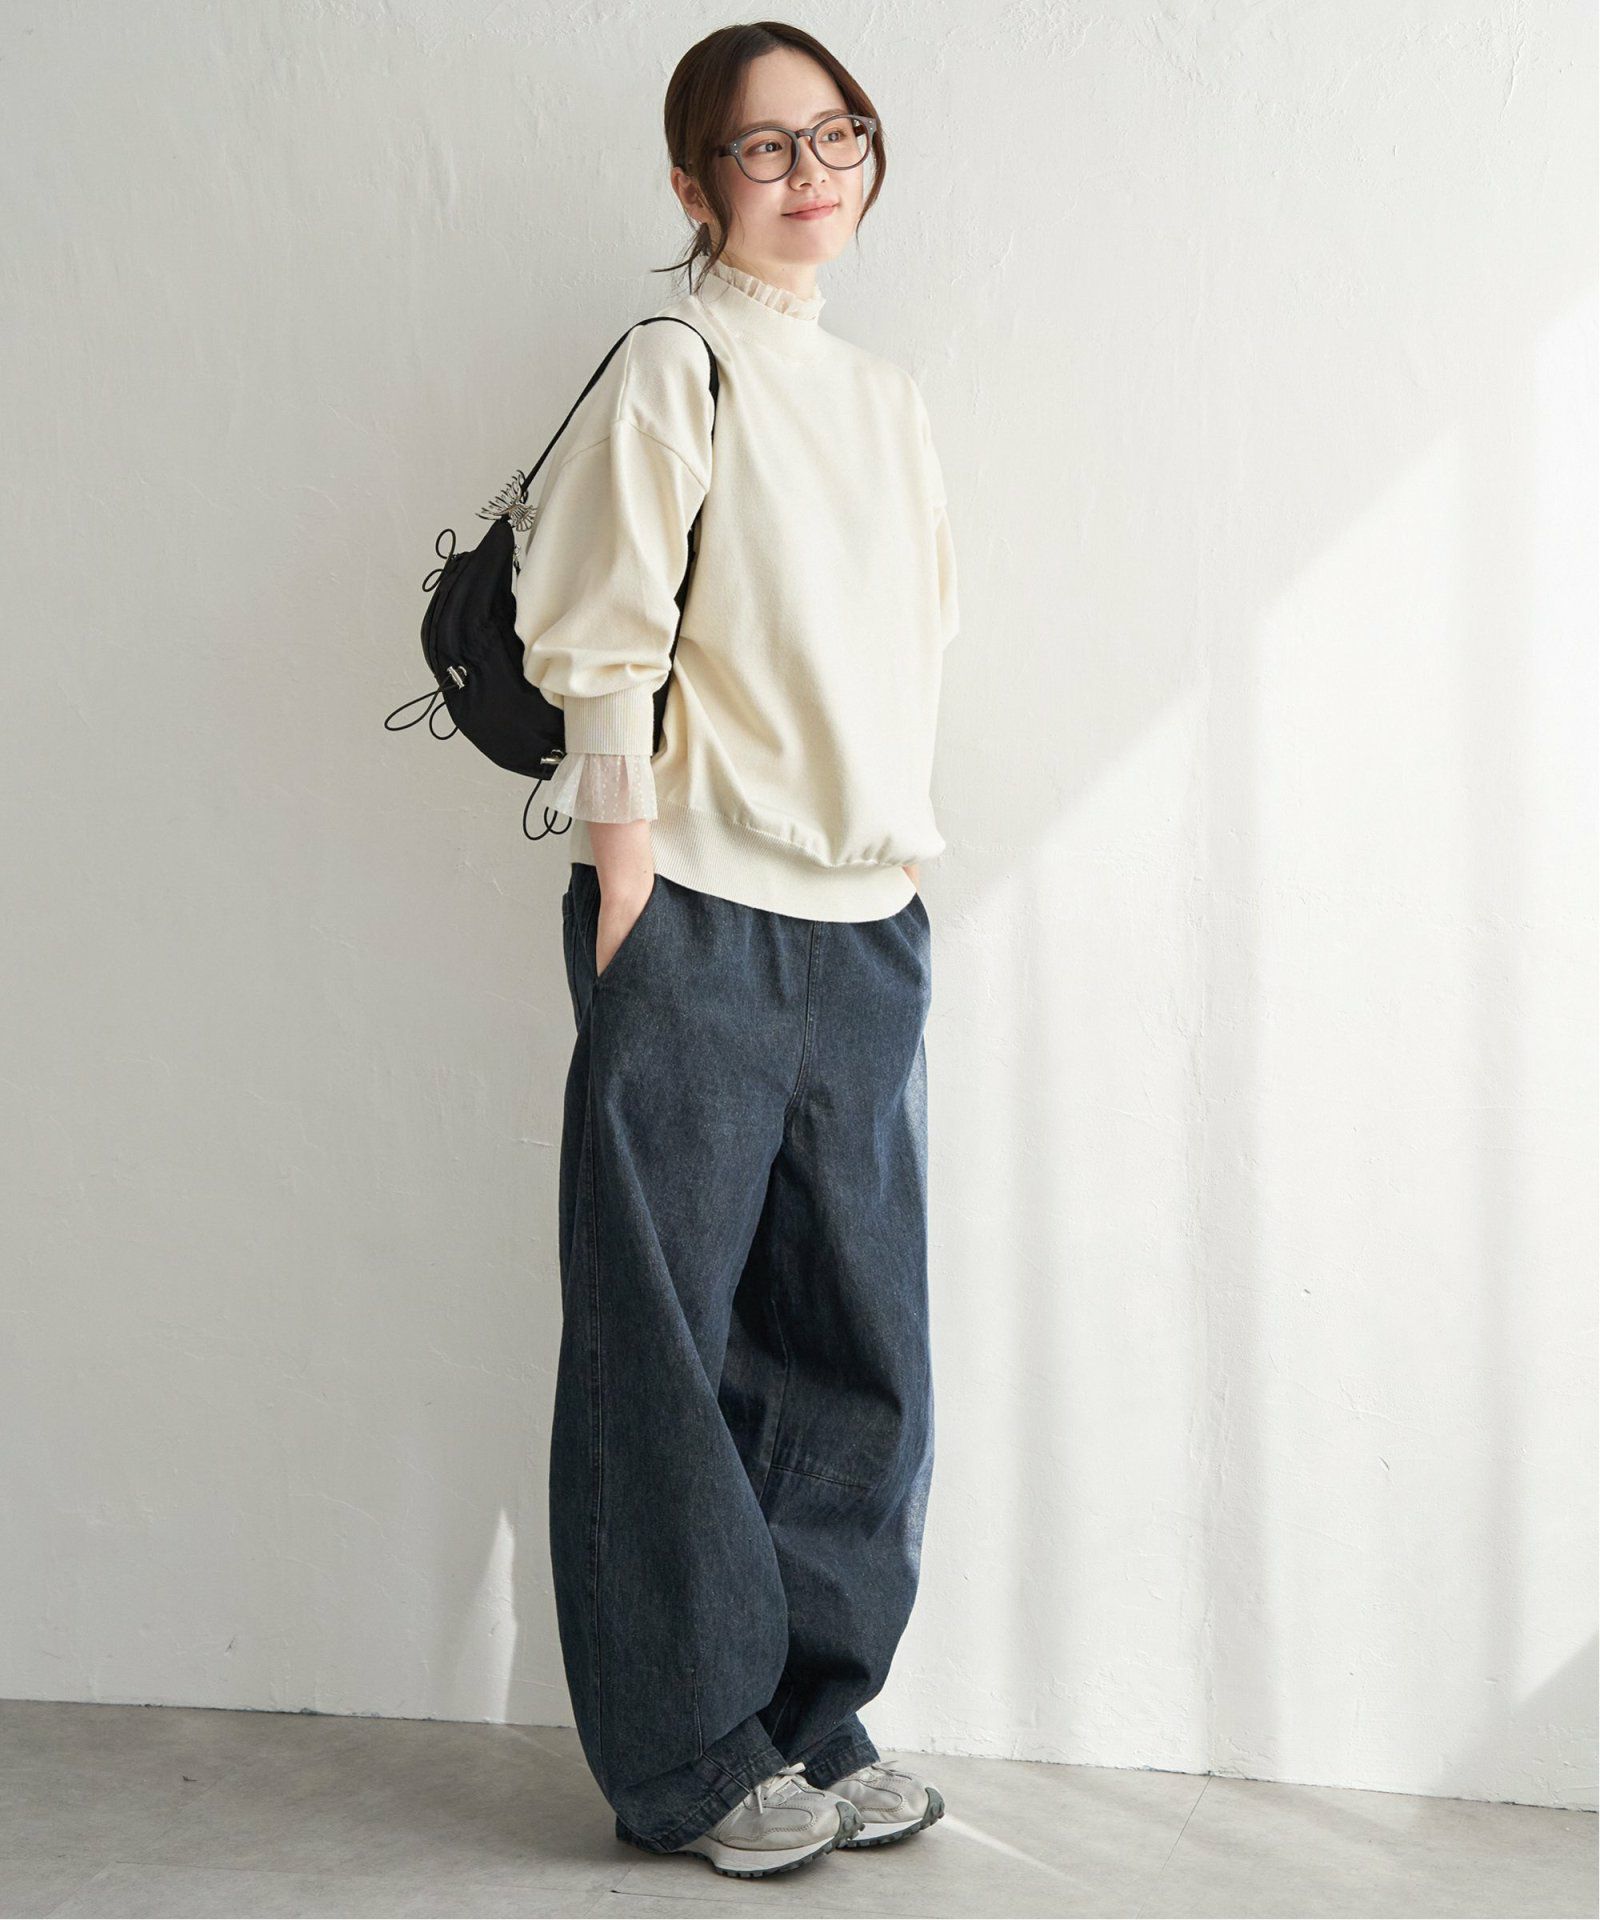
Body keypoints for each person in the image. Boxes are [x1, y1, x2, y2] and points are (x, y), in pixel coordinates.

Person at [514, 21, 959, 1882]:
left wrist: (899, 871)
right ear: (696, 184)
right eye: (765, 146)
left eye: (835, 134)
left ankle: (808, 1716)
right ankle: (688, 1756)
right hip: (691, 907)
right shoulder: (674, 363)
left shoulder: (885, 401)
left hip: (862, 926)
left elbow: (904, 655)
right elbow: (599, 634)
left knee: (854, 1349)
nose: (809, 172)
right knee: (664, 1347)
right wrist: (627, 887)